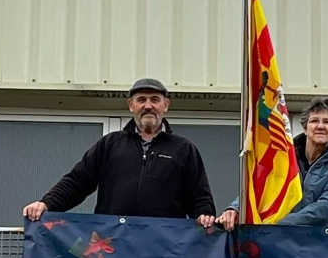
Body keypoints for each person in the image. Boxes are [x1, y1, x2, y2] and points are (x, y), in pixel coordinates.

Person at [22, 78, 216, 228]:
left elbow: (199, 195)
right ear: (131, 105)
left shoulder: (183, 148)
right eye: (141, 100)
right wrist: (47, 204)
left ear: (165, 105)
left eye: (155, 100)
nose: (148, 106)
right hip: (113, 242)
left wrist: (205, 215)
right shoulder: (110, 144)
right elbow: (77, 182)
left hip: (164, 245)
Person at [218, 96, 328, 229]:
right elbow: (260, 187)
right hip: (279, 236)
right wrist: (235, 209)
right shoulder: (282, 156)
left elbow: (325, 207)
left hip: (318, 238)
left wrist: (283, 225)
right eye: (314, 121)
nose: (320, 126)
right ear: (305, 129)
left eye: (327, 122)